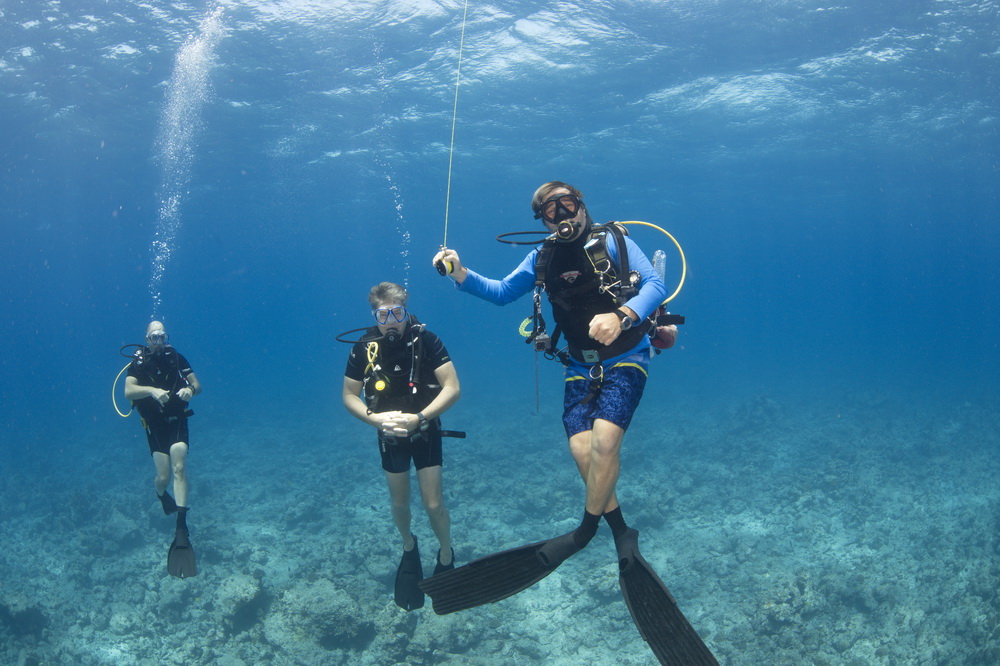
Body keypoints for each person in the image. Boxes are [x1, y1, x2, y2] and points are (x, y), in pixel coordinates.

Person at [424, 182, 715, 665]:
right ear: (542, 219)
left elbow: (656, 286)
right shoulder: (541, 258)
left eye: (568, 204)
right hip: (578, 366)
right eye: (549, 209)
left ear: (583, 205)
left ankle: (583, 532)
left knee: (603, 445)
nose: (561, 214)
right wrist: (458, 273)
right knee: (584, 455)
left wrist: (623, 315)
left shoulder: (616, 240)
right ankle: (622, 530)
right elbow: (498, 293)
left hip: (626, 358)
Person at [342, 282, 461, 611]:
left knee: (433, 504)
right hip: (389, 434)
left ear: (406, 311)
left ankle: (446, 553)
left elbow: (453, 388)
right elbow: (348, 396)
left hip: (424, 429)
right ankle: (409, 547)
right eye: (384, 314)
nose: (392, 320)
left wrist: (420, 416)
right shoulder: (364, 347)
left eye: (398, 312)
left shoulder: (426, 340)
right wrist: (375, 419)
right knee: (399, 505)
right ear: (375, 315)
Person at [124, 320, 201, 578]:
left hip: (177, 420)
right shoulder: (139, 362)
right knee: (164, 477)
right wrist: (152, 391)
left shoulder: (176, 357)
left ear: (167, 337)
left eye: (162, 337)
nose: (159, 342)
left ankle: (181, 526)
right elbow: (128, 391)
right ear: (146, 339)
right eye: (154, 337)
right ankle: (161, 495)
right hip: (154, 425)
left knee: (179, 466)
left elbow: (197, 385)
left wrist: (190, 390)